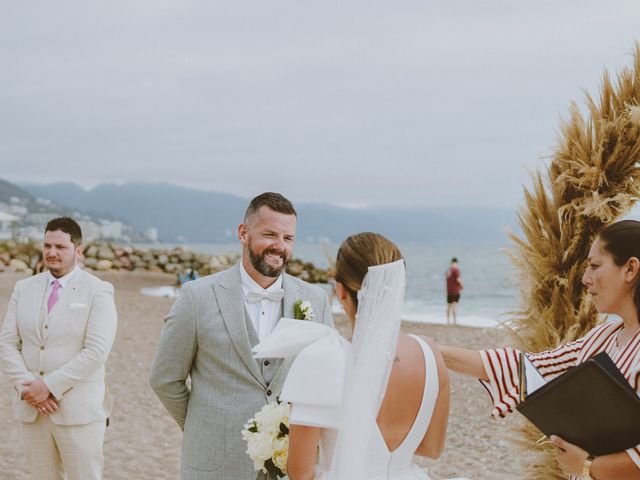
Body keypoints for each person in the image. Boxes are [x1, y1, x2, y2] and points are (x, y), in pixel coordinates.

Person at [149, 192, 334, 480]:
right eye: (270, 234)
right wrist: (205, 427)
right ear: (243, 233)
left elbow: (325, 380)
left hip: (289, 466)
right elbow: (164, 378)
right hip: (214, 465)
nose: (279, 246)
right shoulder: (196, 297)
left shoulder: (316, 299)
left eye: (288, 238)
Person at [439, 220, 640, 479]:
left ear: (630, 269)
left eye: (594, 266)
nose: (585, 279)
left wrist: (588, 466)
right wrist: (430, 351)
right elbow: (526, 366)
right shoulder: (604, 337)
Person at [253, 232, 452, 480]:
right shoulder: (431, 354)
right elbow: (432, 449)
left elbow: (300, 473)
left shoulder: (322, 358)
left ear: (341, 291)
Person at [0, 216, 118, 480]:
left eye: (60, 247)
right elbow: (7, 343)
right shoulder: (24, 288)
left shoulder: (98, 291)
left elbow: (96, 351)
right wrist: (27, 386)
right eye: (47, 246)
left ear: (78, 250)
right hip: (32, 410)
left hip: (79, 413)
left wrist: (49, 387)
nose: (52, 253)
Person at [445, 257, 463, 325]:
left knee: (449, 306)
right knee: (455, 305)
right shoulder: (456, 270)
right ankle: (454, 321)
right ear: (456, 262)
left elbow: (447, 279)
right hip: (455, 290)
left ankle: (448, 321)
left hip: (449, 290)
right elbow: (458, 279)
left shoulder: (448, 270)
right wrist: (462, 286)